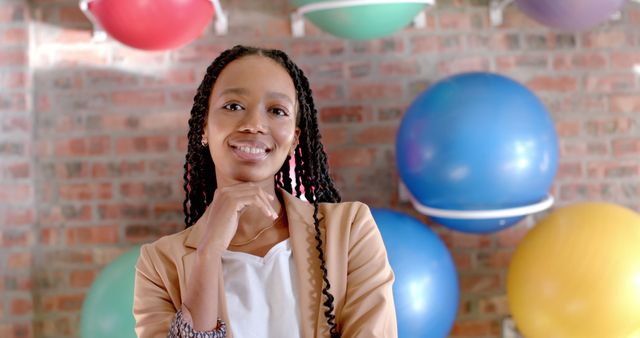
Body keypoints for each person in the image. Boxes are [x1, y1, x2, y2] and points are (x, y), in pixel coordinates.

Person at [133, 45, 397, 338]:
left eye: (277, 111)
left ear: (295, 138)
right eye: (233, 106)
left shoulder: (349, 230)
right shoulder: (158, 265)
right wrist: (208, 255)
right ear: (204, 128)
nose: (255, 125)